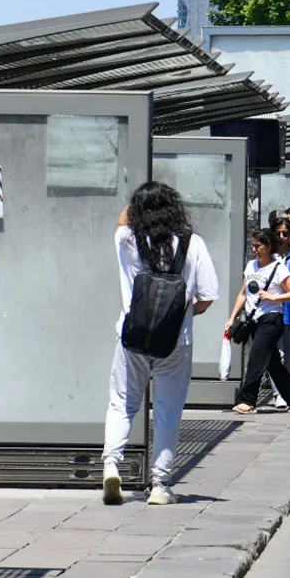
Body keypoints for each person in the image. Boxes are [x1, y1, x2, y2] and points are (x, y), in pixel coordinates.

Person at [103, 181, 219, 505]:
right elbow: (208, 297)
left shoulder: (127, 239)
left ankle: (112, 464)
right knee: (167, 410)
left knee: (122, 403)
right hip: (176, 342)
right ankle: (160, 485)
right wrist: (181, 315)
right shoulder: (192, 244)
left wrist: (138, 203)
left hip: (132, 337)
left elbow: (122, 220)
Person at [225, 230, 290, 414]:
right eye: (253, 245)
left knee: (256, 356)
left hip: (272, 318)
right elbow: (243, 294)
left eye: (257, 246)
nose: (254, 249)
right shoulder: (251, 266)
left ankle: (248, 400)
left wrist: (273, 298)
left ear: (268, 247)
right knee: (272, 363)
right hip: (254, 319)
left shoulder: (279, 268)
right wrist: (232, 318)